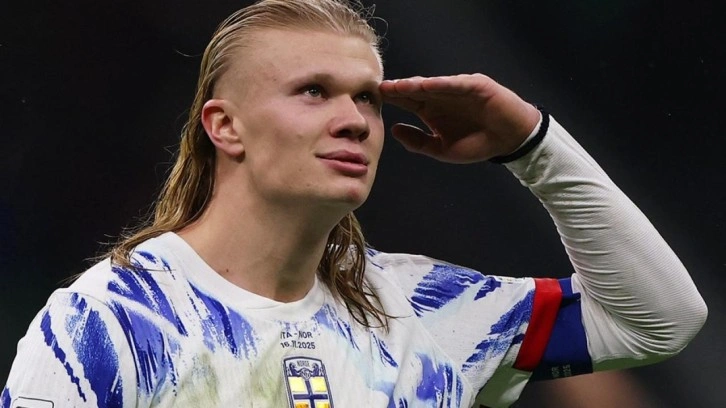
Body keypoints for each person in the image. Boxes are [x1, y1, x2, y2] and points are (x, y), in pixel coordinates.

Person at [1, 0, 707, 407]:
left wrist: (534, 145)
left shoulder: (428, 311)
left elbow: (659, 320)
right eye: (314, 91)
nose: (354, 121)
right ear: (225, 126)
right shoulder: (113, 321)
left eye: (367, 97)